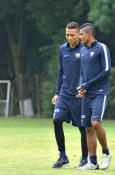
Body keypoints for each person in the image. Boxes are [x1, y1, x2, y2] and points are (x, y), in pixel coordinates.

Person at [51, 22, 88, 168]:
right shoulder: (62, 50)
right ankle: (62, 155)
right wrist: (57, 93)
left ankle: (85, 157)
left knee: (82, 127)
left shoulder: (85, 49)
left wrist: (85, 89)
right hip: (64, 95)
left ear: (79, 34)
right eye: (67, 34)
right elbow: (61, 72)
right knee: (56, 120)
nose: (69, 37)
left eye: (72, 35)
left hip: (79, 97)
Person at [77, 23, 111, 170]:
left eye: (81, 35)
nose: (79, 37)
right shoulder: (83, 50)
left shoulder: (102, 47)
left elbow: (107, 70)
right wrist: (81, 87)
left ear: (89, 34)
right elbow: (82, 73)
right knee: (88, 128)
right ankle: (92, 162)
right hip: (87, 94)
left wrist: (87, 85)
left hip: (99, 92)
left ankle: (106, 154)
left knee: (96, 123)